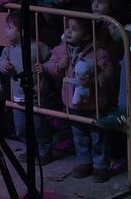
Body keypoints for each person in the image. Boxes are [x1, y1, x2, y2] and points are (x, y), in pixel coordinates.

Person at [44, 14, 119, 181]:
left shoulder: (99, 53)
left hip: (95, 104)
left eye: (74, 29)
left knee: (97, 135)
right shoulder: (61, 49)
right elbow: (50, 66)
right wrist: (58, 66)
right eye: (68, 27)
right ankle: (84, 162)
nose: (68, 32)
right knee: (79, 135)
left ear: (86, 35)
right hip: (72, 103)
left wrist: (93, 80)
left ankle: (100, 165)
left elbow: (108, 73)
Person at [0, 10, 53, 160]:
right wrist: (3, 65)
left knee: (38, 126)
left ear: (22, 30)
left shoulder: (39, 47)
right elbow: (1, 61)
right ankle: (31, 149)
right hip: (17, 98)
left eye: (9, 27)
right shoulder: (9, 49)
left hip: (36, 96)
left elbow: (52, 60)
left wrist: (45, 67)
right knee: (21, 128)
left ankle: (45, 150)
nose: (6, 31)